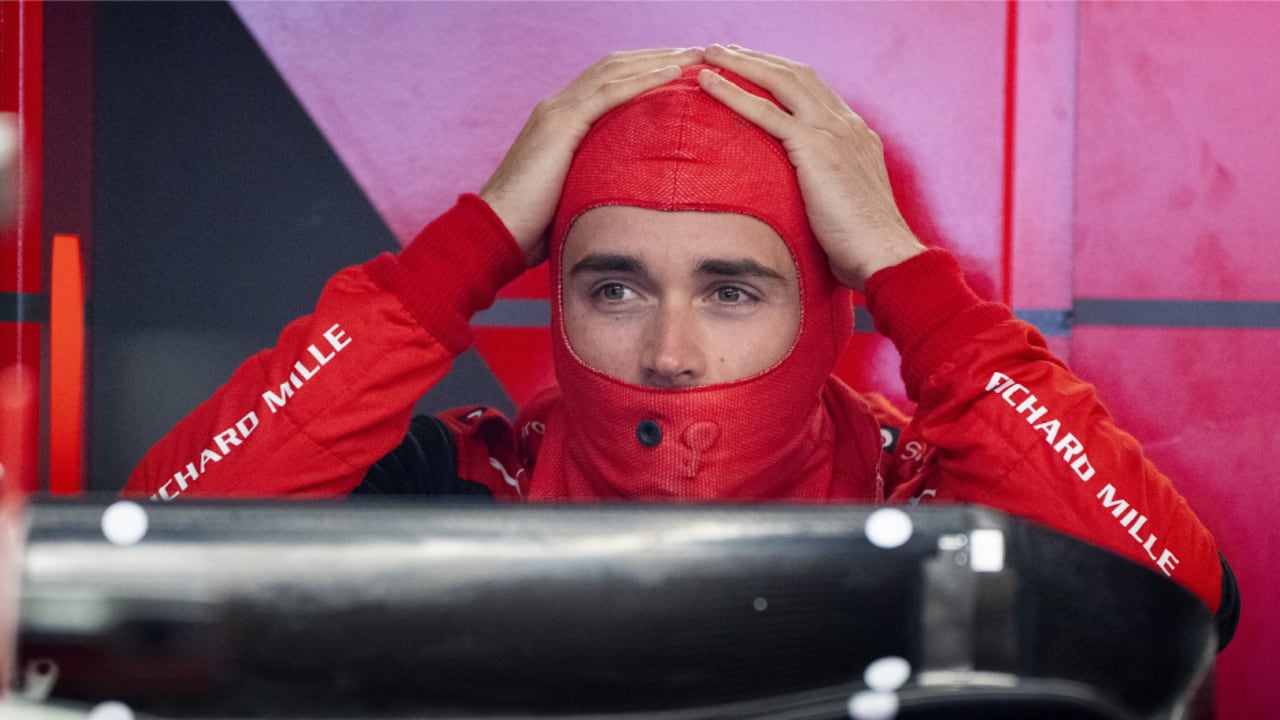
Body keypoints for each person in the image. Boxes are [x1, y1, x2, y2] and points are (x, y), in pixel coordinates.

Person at [123, 46, 1238, 645]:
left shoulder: (945, 499)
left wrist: (909, 279)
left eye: (732, 291)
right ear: (552, 298)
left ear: (824, 308)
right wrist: (463, 250)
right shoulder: (448, 486)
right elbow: (146, 559)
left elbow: (1177, 608)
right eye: (613, 287)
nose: (666, 352)